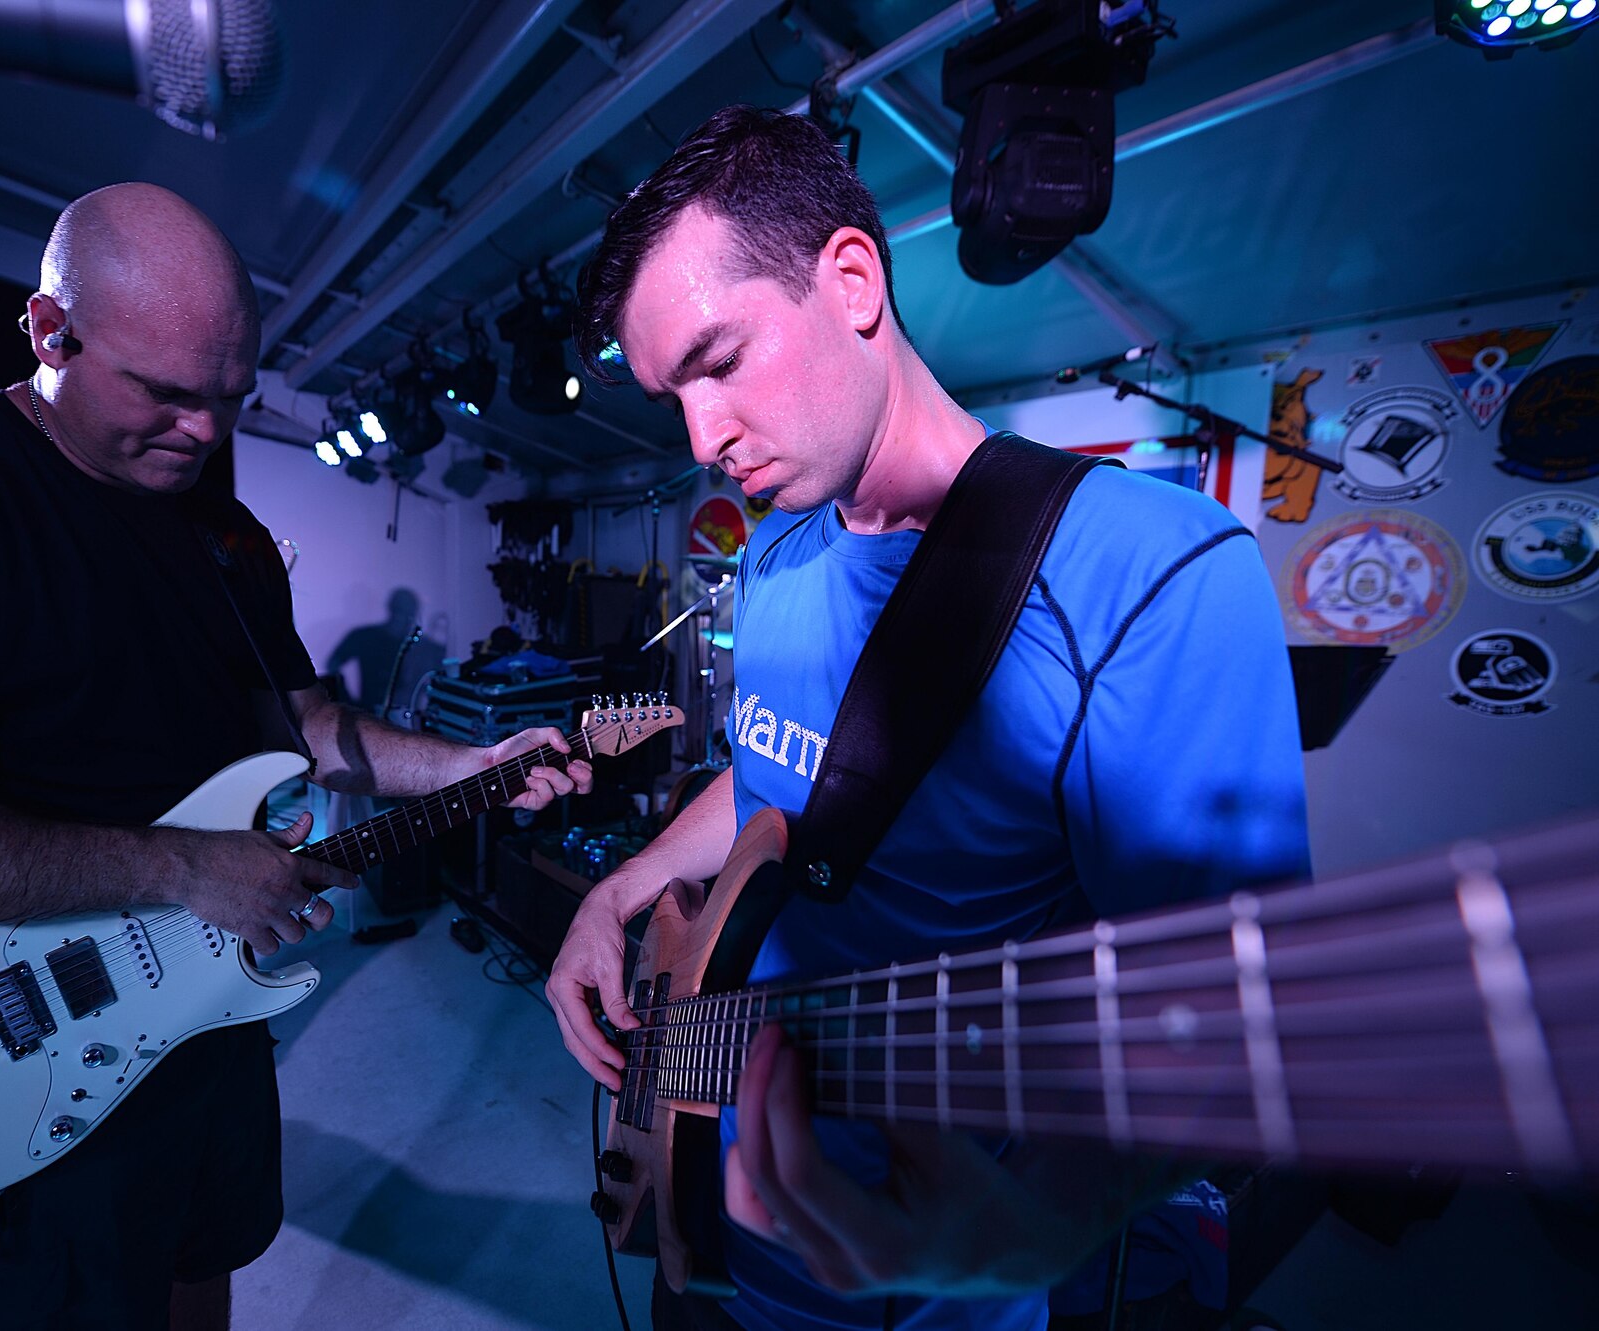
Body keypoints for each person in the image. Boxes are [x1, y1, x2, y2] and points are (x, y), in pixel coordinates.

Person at [0, 182, 591, 1331]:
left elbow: (305, 718)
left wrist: (474, 763)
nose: (205, 432)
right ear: (49, 332)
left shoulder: (223, 534)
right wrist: (177, 867)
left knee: (201, 1276)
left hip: (208, 1028)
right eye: (166, 393)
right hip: (11, 1046)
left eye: (229, 398)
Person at [544, 107, 1309, 1331]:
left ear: (849, 279)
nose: (700, 440)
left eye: (718, 360)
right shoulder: (778, 554)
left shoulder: (1148, 572)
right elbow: (762, 782)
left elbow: (1233, 1021)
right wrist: (617, 892)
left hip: (924, 1280)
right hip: (714, 1204)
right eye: (666, 397)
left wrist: (1047, 1220)